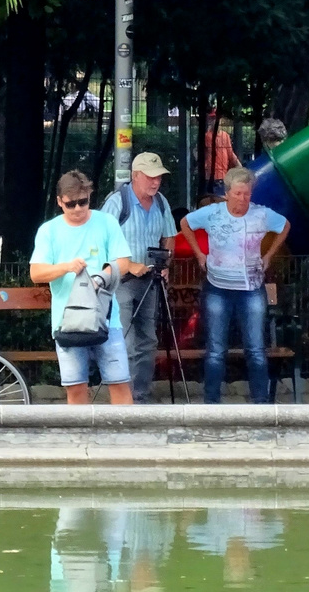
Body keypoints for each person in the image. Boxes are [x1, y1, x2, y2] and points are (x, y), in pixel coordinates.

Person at [179, 166, 290, 403]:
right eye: (238, 193)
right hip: (217, 288)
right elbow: (185, 223)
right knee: (216, 351)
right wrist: (200, 254)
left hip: (251, 289)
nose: (242, 199)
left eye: (247, 194)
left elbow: (285, 226)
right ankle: (212, 403)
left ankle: (260, 403)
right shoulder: (212, 213)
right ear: (227, 193)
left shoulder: (262, 214)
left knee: (256, 350)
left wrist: (269, 255)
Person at [30, 170, 134, 405]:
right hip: (68, 323)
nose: (78, 209)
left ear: (90, 197)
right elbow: (36, 273)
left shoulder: (106, 222)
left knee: (119, 383)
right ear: (59, 202)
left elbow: (124, 262)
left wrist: (101, 278)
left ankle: (127, 439)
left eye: (83, 202)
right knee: (76, 388)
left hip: (107, 319)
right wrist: (66, 267)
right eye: (70, 204)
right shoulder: (49, 231)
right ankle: (78, 439)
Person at [99, 152, 178, 404]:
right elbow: (100, 242)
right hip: (121, 282)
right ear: (135, 176)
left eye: (159, 177)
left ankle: (140, 395)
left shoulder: (161, 202)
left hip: (151, 281)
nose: (156, 182)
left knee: (149, 340)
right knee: (126, 341)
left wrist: (165, 263)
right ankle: (125, 399)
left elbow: (170, 236)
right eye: (150, 177)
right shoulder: (116, 202)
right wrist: (128, 265)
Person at [204, 113, 240, 195]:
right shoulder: (206, 136)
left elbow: (230, 153)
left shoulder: (225, 136)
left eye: (216, 118)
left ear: (221, 120)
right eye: (212, 119)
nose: (214, 121)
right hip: (210, 176)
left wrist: (239, 166)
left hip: (223, 176)